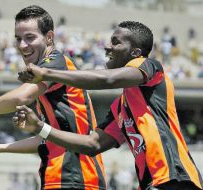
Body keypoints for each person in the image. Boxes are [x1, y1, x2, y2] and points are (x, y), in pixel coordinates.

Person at [11, 21, 203, 190]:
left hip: (176, 179)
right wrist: (40, 127)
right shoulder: (121, 107)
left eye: (116, 42)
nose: (107, 47)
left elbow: (108, 80)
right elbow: (92, 144)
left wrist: (46, 73)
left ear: (135, 53)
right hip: (153, 184)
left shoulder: (151, 68)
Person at [0, 5, 106, 190]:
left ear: (49, 37)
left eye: (30, 38)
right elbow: (47, 139)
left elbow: (22, 97)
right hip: (63, 177)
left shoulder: (56, 64)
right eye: (18, 39)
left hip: (76, 177)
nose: (22, 46)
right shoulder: (48, 87)